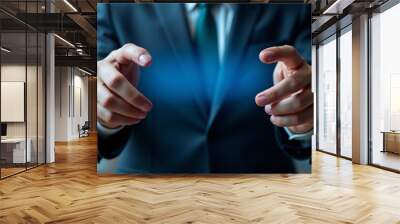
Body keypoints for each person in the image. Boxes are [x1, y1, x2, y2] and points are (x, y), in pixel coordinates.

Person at [97, 3, 313, 173]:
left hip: (261, 189)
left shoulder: (293, 11)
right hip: (150, 191)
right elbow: (98, 101)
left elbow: (310, 88)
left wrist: (303, 120)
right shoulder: (115, 11)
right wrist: (103, 115)